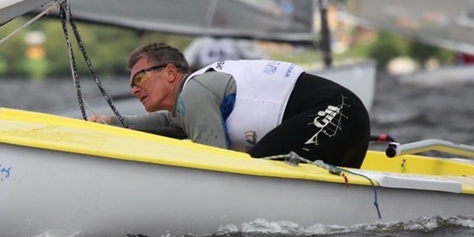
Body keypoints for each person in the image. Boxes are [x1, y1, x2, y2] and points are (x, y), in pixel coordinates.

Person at [88, 42, 371, 168]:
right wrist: (111, 123)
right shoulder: (194, 98)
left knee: (256, 165)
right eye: (131, 83)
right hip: (347, 118)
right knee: (262, 162)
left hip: (337, 112)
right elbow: (168, 124)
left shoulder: (195, 92)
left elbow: (215, 164)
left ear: (170, 72)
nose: (134, 88)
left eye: (140, 77)